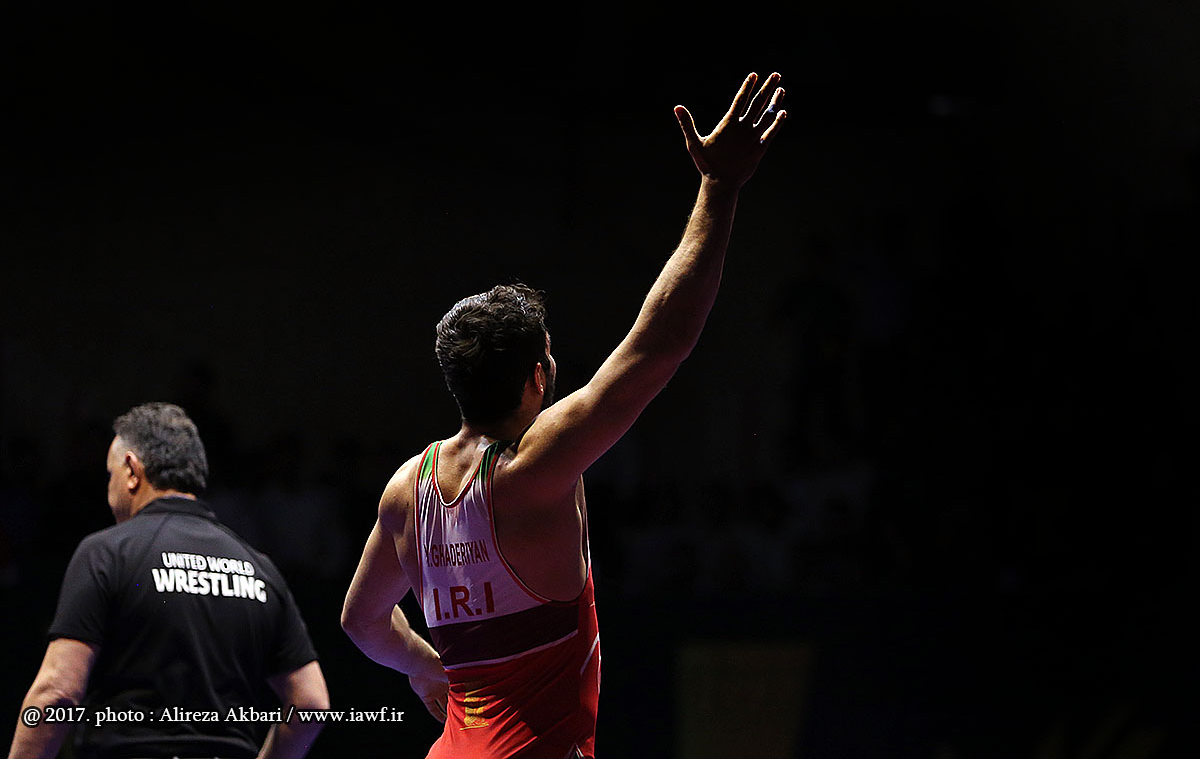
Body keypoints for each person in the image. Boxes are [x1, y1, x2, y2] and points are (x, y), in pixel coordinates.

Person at [340, 72, 787, 758]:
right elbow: (659, 345)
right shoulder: (533, 469)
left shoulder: (406, 491)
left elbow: (361, 621)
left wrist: (428, 669)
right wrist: (719, 187)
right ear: (537, 377)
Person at [8, 403, 330, 759]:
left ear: (132, 470)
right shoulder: (258, 567)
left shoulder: (107, 552)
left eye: (110, 475)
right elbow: (311, 702)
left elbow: (57, 692)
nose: (109, 489)